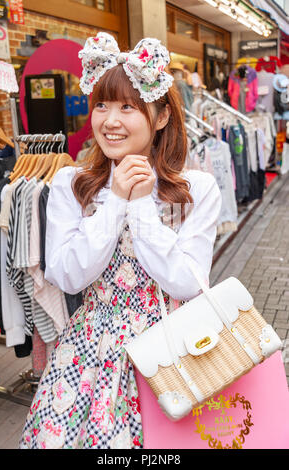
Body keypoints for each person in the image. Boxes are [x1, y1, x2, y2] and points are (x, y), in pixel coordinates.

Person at [19, 32, 221, 449]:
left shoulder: (196, 189)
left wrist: (144, 204)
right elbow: (67, 276)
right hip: (89, 355)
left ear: (161, 116)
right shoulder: (70, 184)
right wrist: (114, 203)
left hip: (173, 356)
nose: (110, 120)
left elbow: (186, 283)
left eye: (128, 106)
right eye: (102, 105)